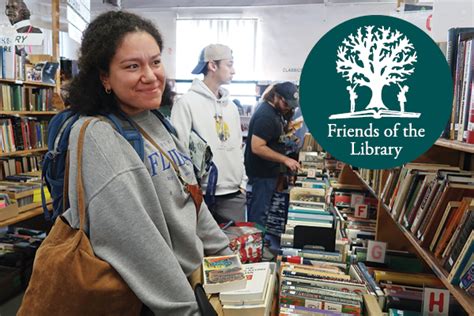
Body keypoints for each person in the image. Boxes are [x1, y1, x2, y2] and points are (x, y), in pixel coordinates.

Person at [63, 11, 231, 314]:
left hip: (188, 284)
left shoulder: (156, 121)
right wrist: (186, 310)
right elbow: (136, 243)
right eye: (132, 66)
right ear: (104, 77)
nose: (151, 75)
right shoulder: (98, 136)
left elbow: (191, 200)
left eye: (155, 61)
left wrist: (226, 259)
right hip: (148, 302)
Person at [171, 44, 247, 224]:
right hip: (200, 194)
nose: (233, 70)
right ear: (212, 66)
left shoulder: (232, 107)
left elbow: (237, 146)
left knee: (234, 249)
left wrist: (242, 182)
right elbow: (178, 150)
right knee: (199, 249)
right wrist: (191, 188)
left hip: (233, 194)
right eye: (229, 64)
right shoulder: (186, 103)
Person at [245, 82, 301, 227]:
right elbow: (257, 147)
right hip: (262, 173)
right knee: (259, 213)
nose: (288, 107)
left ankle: (260, 240)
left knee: (263, 210)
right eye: (285, 103)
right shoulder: (266, 116)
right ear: (276, 96)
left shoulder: (275, 112)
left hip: (268, 171)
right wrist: (285, 159)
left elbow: (271, 137)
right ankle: (255, 244)